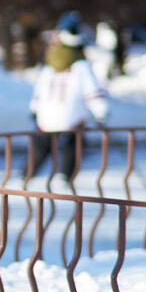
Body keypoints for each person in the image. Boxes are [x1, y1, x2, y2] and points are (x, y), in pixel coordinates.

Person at [27, 11, 109, 179]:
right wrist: (101, 112)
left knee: (42, 145)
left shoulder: (50, 65)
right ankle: (65, 175)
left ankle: (26, 174)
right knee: (74, 143)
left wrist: (34, 109)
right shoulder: (81, 66)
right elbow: (92, 92)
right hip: (72, 116)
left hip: (46, 116)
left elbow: (39, 90)